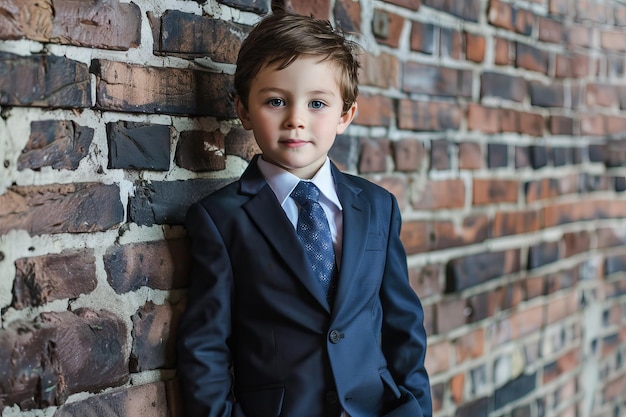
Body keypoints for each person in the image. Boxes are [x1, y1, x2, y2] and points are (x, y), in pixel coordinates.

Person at [177, 11, 432, 417]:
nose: (296, 119)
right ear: (243, 111)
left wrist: (416, 408)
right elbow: (205, 347)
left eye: (317, 103)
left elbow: (404, 326)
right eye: (276, 101)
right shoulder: (220, 219)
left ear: (345, 115)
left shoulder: (378, 207)